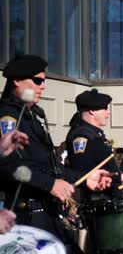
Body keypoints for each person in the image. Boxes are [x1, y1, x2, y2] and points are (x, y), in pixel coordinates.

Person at [0, 55, 112, 251]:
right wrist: (50, 184)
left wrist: (87, 179)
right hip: (26, 215)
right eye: (37, 80)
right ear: (17, 80)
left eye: (44, 81)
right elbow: (10, 166)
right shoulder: (8, 117)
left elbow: (50, 168)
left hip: (45, 213)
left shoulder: (31, 117)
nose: (42, 86)